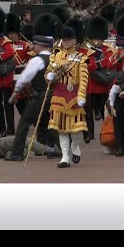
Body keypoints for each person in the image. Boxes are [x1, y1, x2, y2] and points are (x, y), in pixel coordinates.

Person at [5, 34, 54, 161]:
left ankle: (17, 152)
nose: (34, 47)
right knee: (49, 122)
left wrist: (16, 90)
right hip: (53, 95)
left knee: (24, 122)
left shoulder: (37, 60)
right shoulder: (55, 58)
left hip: (40, 94)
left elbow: (25, 76)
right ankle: (53, 148)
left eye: (35, 45)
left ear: (40, 46)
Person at [46, 26, 89, 168]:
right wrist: (49, 76)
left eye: (69, 40)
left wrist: (81, 95)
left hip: (74, 93)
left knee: (75, 128)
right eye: (64, 39)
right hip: (59, 93)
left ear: (75, 41)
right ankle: (65, 157)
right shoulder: (56, 56)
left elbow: (83, 79)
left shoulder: (81, 58)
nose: (66, 42)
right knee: (61, 128)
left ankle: (75, 146)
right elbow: (49, 74)